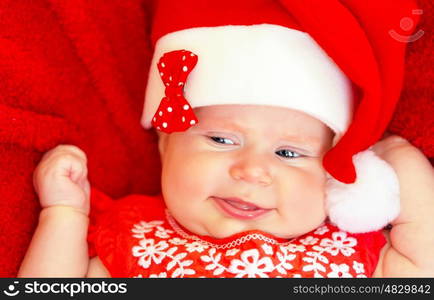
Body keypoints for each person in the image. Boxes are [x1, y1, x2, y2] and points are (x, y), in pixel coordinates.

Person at [18, 0, 434, 278]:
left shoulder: (355, 250)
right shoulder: (133, 238)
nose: (252, 170)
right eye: (220, 139)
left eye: (289, 153)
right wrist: (64, 214)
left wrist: (393, 151)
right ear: (165, 143)